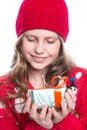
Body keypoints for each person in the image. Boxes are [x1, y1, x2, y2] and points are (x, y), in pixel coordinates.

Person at [0, 0, 87, 129]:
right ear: (20, 41)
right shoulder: (4, 90)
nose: (39, 50)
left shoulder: (82, 81)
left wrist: (63, 120)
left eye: (50, 41)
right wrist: (40, 126)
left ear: (60, 44)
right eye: (31, 39)